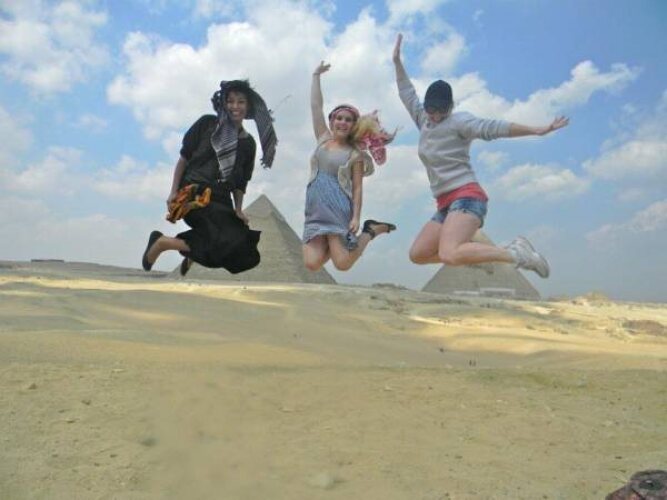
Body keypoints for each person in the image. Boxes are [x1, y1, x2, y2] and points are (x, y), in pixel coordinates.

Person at [392, 34, 569, 278]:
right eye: (431, 109)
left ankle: (517, 254)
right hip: (444, 203)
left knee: (450, 253)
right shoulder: (423, 120)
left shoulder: (460, 122)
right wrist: (397, 62)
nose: (435, 115)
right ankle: (474, 256)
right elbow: (406, 91)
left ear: (450, 107)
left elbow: (494, 127)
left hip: (466, 197)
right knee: (419, 254)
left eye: (442, 110)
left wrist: (536, 130)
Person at [141, 79, 277, 276]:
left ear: (248, 107)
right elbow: (184, 159)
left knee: (244, 250)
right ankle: (162, 243)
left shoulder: (248, 144)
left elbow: (241, 183)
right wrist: (173, 192)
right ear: (223, 104)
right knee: (221, 241)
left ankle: (193, 252)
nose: (235, 106)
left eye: (241, 101)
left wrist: (238, 209)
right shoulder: (207, 124)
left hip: (222, 200)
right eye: (230, 101)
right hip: (195, 193)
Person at [303, 61, 396, 272]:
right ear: (332, 121)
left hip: (338, 209)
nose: (342, 122)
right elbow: (316, 107)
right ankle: (336, 244)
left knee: (343, 263)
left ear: (354, 126)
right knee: (311, 263)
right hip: (315, 210)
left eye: (348, 120)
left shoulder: (355, 155)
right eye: (339, 118)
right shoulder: (323, 139)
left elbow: (357, 188)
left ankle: (370, 231)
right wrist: (316, 76)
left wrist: (356, 216)